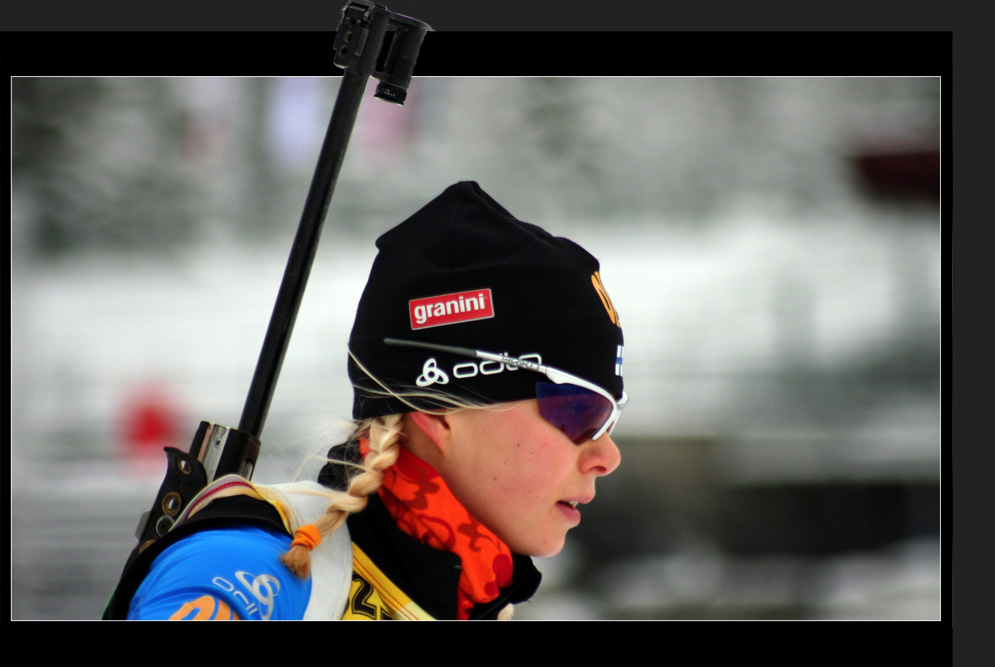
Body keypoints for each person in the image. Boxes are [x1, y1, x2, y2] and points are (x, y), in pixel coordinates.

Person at [103, 181, 627, 620]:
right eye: (581, 412)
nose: (608, 455)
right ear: (440, 408)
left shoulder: (473, 596)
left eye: (611, 417)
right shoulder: (252, 573)